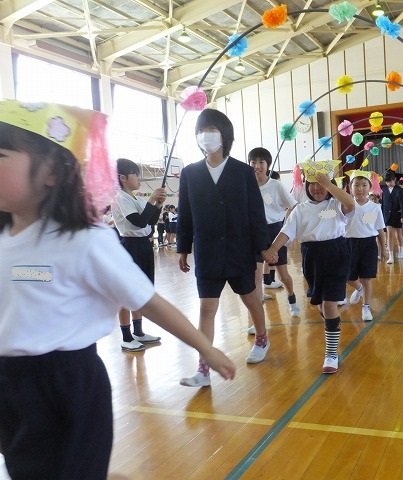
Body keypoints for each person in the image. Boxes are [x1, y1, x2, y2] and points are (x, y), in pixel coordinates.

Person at [0, 100, 235, 480]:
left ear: (51, 172)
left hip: (67, 384)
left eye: (1, 155)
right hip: (10, 383)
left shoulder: (84, 241)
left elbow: (150, 302)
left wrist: (204, 346)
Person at [177, 108, 271, 387]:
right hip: (207, 252)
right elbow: (186, 213)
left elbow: (256, 213)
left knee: (251, 299)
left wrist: (262, 249)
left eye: (212, 131)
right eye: (202, 131)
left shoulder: (243, 172)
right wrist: (183, 248)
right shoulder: (190, 173)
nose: (206, 136)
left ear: (225, 136)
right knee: (207, 308)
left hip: (239, 250)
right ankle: (203, 369)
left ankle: (262, 339)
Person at [264, 164, 355, 374]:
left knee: (330, 304)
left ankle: (331, 354)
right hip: (311, 257)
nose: (317, 187)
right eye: (312, 182)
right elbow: (286, 232)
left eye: (321, 183)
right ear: (305, 184)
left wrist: (329, 184)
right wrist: (273, 250)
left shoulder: (336, 204)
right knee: (321, 306)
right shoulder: (300, 209)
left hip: (336, 254)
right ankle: (334, 330)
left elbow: (351, 204)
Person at [112, 158, 165, 351]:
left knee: (140, 290)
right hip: (130, 246)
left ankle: (139, 332)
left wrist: (158, 205)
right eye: (135, 174)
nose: (139, 177)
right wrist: (152, 199)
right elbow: (139, 222)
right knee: (126, 292)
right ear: (123, 178)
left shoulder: (136, 198)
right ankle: (126, 336)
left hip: (143, 245)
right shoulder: (119, 197)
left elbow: (150, 221)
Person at [248, 147, 299, 319]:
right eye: (253, 162)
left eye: (261, 162)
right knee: (255, 276)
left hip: (275, 231)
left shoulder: (275, 185)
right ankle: (256, 317)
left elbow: (293, 206)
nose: (257, 166)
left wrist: (287, 228)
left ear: (267, 165)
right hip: (254, 233)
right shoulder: (246, 185)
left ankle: (292, 298)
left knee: (283, 273)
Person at [345, 170, 387, 321]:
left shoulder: (375, 208)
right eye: (356, 185)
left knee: (367, 278)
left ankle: (366, 306)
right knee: (347, 276)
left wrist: (384, 249)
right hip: (349, 244)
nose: (360, 188)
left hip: (369, 244)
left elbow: (380, 230)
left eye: (364, 185)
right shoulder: (346, 205)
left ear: (370, 187)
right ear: (350, 187)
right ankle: (359, 288)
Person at [381, 170, 403, 264]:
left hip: (397, 214)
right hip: (387, 215)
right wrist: (382, 216)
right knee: (389, 234)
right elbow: (383, 203)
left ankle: (400, 249)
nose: (389, 183)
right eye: (387, 181)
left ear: (395, 180)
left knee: (398, 234)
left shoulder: (399, 190)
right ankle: (391, 256)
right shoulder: (384, 189)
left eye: (390, 181)